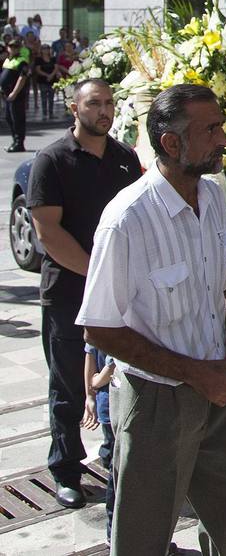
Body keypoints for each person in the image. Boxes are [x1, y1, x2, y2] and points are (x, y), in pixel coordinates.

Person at [77, 84, 226, 556]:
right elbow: (99, 327)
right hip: (156, 404)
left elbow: (214, 289)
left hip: (218, 389)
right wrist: (197, 374)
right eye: (212, 129)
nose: (224, 139)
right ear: (172, 143)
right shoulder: (127, 219)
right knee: (143, 537)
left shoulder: (214, 195)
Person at [27, 78, 142, 508]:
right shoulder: (52, 160)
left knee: (118, 378)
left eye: (110, 103)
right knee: (69, 386)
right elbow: (47, 232)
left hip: (118, 292)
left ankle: (115, 461)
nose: (105, 111)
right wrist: (97, 272)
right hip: (69, 293)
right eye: (95, 103)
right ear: (75, 109)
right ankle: (67, 470)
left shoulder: (125, 159)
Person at [82, 343, 116, 538]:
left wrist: (90, 394)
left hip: (106, 403)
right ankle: (114, 534)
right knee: (119, 474)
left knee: (115, 466)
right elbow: (112, 365)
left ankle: (114, 533)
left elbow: (90, 355)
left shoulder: (95, 318)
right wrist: (94, 386)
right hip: (115, 404)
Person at [2, 39, 30, 152]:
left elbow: (22, 78)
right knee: (9, 118)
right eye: (11, 46)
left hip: (16, 95)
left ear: (19, 48)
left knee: (17, 119)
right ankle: (14, 141)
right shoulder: (8, 60)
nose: (13, 48)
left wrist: (14, 93)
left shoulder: (22, 61)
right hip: (6, 95)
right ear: (8, 48)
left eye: (15, 47)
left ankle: (19, 143)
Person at [33, 43, 57, 119]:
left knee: (51, 98)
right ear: (41, 50)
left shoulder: (53, 58)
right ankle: (44, 113)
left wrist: (51, 75)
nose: (46, 50)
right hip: (43, 80)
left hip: (52, 80)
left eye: (47, 48)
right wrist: (47, 75)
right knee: (43, 98)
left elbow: (56, 68)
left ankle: (51, 113)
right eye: (44, 49)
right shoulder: (38, 59)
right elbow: (38, 70)